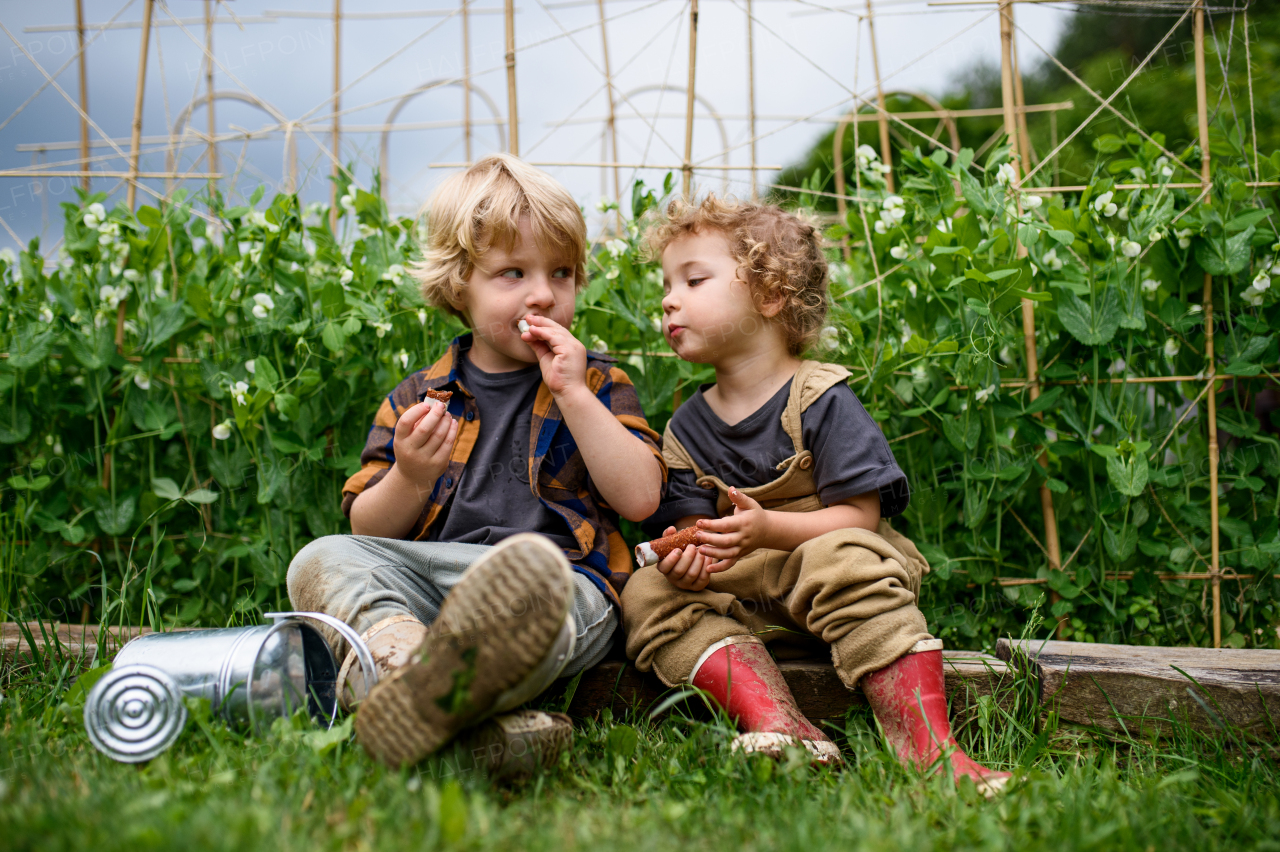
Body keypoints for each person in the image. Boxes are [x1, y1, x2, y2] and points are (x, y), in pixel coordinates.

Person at [287, 154, 667, 768]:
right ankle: (411, 673)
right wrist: (411, 476)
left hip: (559, 583)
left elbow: (641, 498)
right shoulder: (417, 397)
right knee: (322, 557)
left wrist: (572, 394)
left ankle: (413, 696)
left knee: (537, 598)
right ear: (459, 283)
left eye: (563, 273)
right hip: (436, 588)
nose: (544, 293)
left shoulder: (595, 381)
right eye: (513, 272)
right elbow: (370, 530)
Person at [623, 195, 1011, 796]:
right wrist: (685, 559)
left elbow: (861, 516)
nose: (669, 299)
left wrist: (768, 530)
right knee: (647, 590)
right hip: (747, 600)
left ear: (770, 295)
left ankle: (929, 752)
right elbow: (688, 529)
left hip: (830, 576)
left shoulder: (820, 398)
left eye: (693, 279)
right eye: (666, 283)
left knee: (847, 557)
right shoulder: (685, 429)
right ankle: (779, 723)